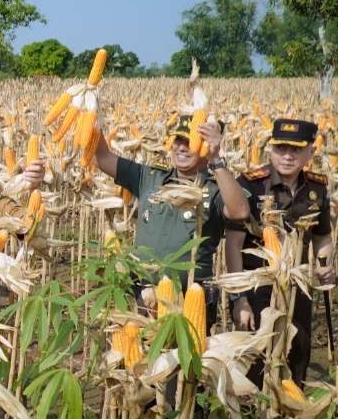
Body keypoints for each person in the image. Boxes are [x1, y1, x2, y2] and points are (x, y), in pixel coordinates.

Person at [93, 115, 249, 320]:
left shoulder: (216, 187)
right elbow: (102, 158)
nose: (182, 148)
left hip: (191, 299)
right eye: (178, 141)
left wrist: (216, 161)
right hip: (147, 297)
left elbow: (239, 212)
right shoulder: (149, 177)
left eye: (190, 142)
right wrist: (92, 118)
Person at [225, 118, 333, 386]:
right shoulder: (250, 184)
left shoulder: (316, 188)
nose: (287, 156)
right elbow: (233, 245)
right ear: (270, 150)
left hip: (298, 289)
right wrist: (239, 300)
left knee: (297, 359)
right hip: (257, 290)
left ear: (310, 151)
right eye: (281, 148)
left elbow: (322, 237)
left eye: (296, 149)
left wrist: (326, 265)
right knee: (254, 365)